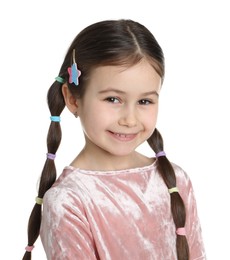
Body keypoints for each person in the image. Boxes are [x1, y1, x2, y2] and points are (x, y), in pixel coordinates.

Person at [22, 19, 206, 260]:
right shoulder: (68, 201)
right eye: (112, 99)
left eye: (145, 101)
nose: (130, 119)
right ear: (73, 99)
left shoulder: (175, 179)